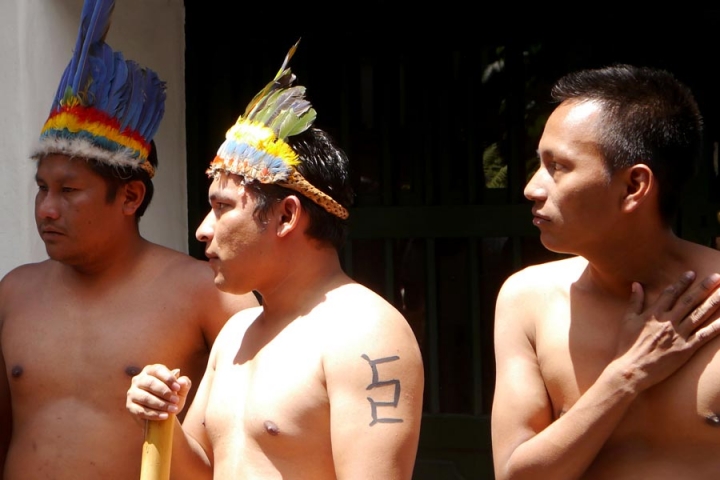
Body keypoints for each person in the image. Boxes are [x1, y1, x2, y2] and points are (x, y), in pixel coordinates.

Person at [126, 41, 425, 480]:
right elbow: (204, 472)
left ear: (286, 215)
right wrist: (162, 419)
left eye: (223, 207)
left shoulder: (366, 334)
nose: (204, 229)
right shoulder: (235, 333)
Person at [0, 1, 258, 478]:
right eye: (42, 188)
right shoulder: (13, 293)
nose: (46, 208)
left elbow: (250, 452)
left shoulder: (212, 296)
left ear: (130, 196)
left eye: (69, 191)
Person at [490, 63, 720, 480]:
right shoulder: (529, 300)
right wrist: (626, 375)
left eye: (557, 166)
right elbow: (515, 475)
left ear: (634, 186)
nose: (532, 187)